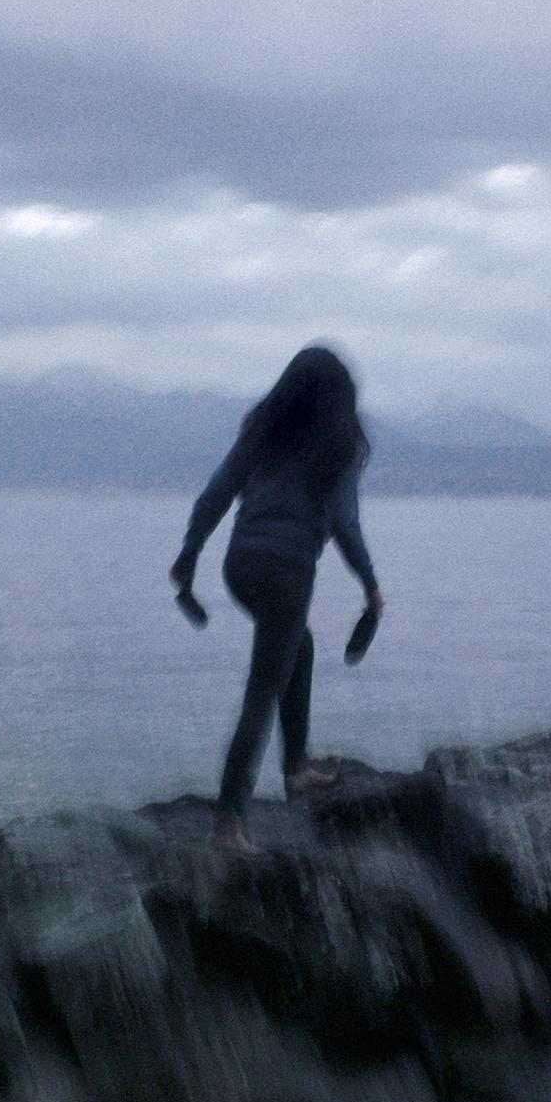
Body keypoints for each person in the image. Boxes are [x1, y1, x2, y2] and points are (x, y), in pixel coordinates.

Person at [171, 345, 385, 855]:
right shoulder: (338, 446)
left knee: (298, 648)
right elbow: (344, 521)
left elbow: (216, 493)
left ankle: (296, 767)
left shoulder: (262, 432)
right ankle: (227, 823)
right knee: (263, 692)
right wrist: (370, 585)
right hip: (287, 573)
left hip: (240, 566)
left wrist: (190, 554)